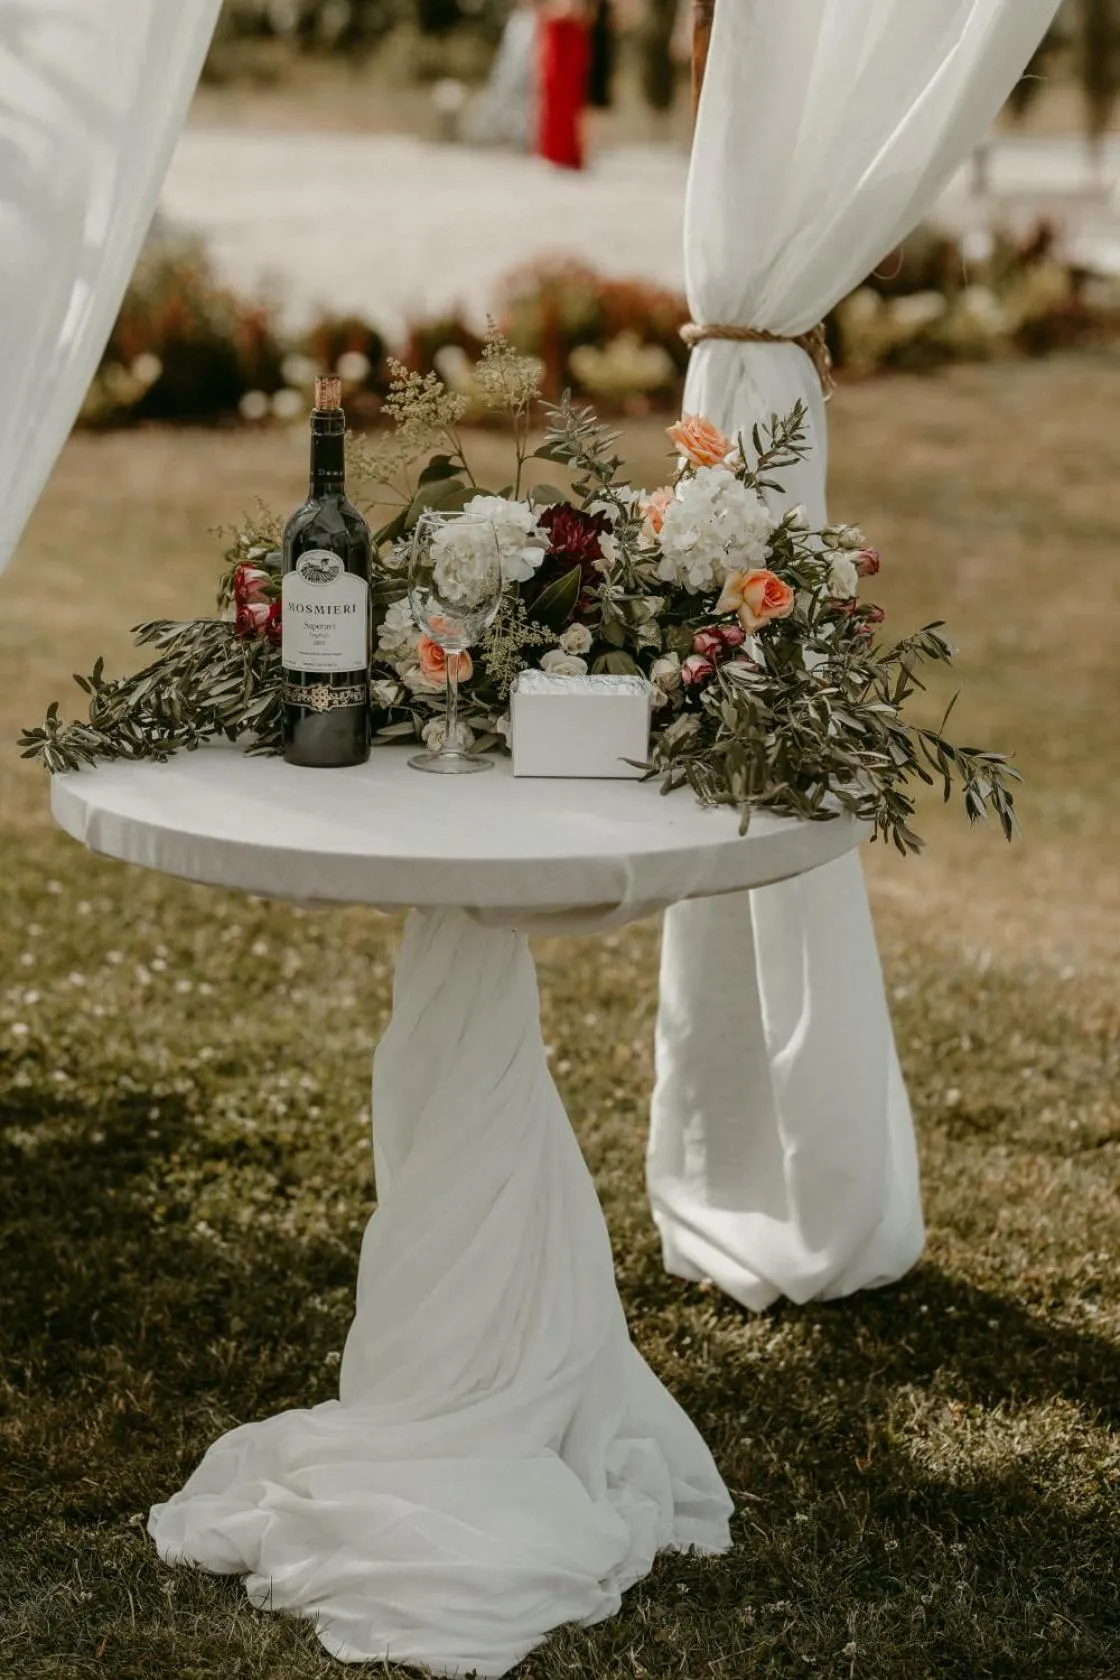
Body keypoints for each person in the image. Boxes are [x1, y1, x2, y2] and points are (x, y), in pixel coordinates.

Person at [466, 0, 538, 151]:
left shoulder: (531, 22)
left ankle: (522, 137)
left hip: (532, 29)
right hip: (522, 28)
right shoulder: (518, 22)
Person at [537, 0, 591, 171]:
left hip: (569, 42)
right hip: (555, 41)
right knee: (552, 101)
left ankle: (567, 153)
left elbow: (579, 11)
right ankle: (553, 152)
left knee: (569, 103)